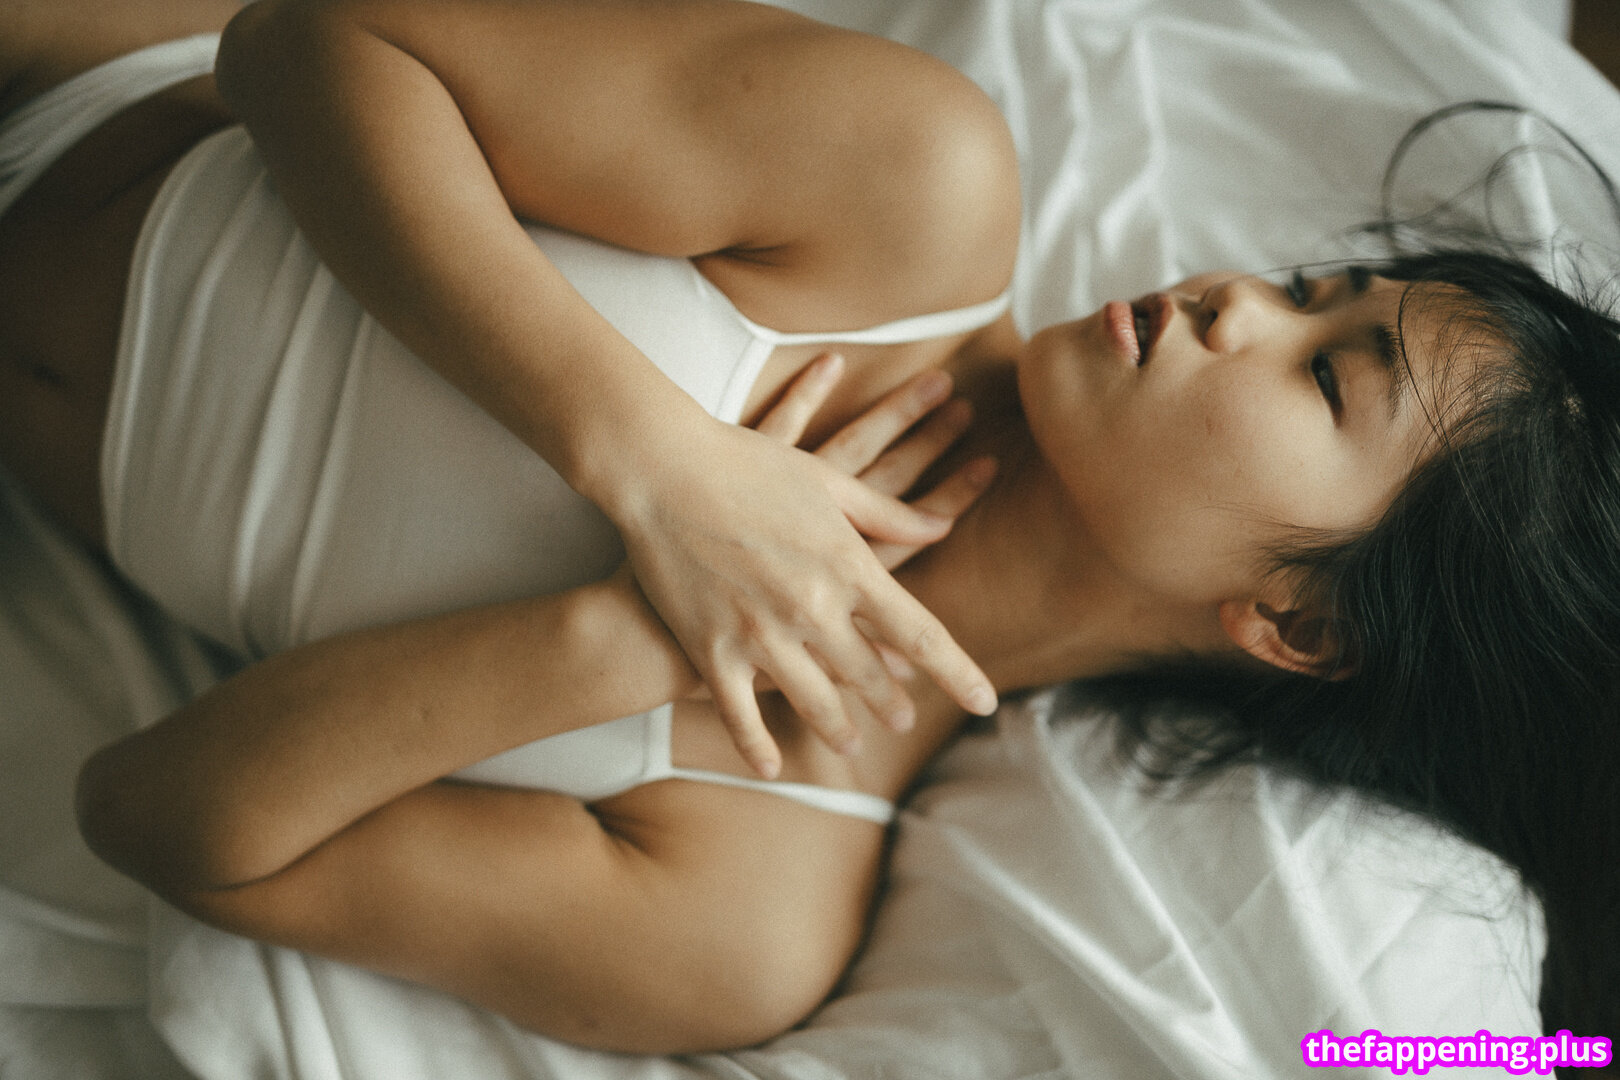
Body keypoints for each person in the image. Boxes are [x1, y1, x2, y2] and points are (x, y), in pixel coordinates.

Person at [1, 0, 1614, 1055]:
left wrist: (622, 639)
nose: (1235, 300)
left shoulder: (752, 899)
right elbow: (303, 43)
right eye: (1314, 285)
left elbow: (159, 820)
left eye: (1327, 374)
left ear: (1302, 622)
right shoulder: (908, 198)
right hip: (66, 85)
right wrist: (656, 468)